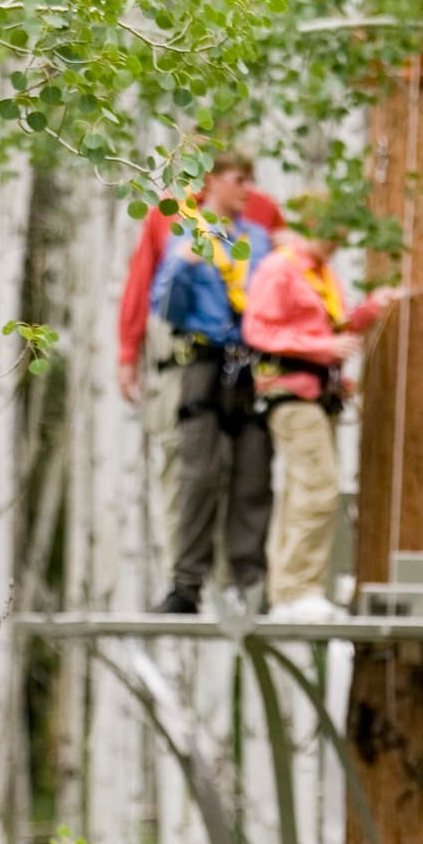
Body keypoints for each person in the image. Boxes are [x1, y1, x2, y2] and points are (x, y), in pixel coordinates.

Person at [116, 154, 283, 615]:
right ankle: (186, 583)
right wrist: (184, 267)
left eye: (252, 180)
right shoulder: (185, 233)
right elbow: (162, 303)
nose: (248, 189)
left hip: (250, 365)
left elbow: (275, 301)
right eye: (239, 180)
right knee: (198, 474)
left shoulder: (258, 239)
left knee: (252, 473)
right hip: (202, 364)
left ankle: (249, 584)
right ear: (212, 184)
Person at [240, 194, 393, 621]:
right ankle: (297, 590)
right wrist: (321, 347)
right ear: (309, 225)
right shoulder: (280, 269)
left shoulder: (324, 275)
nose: (335, 244)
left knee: (301, 493)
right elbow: (258, 329)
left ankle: (288, 590)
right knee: (319, 490)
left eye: (341, 237)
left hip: (318, 393)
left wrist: (366, 313)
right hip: (288, 392)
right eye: (330, 234)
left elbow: (333, 328)